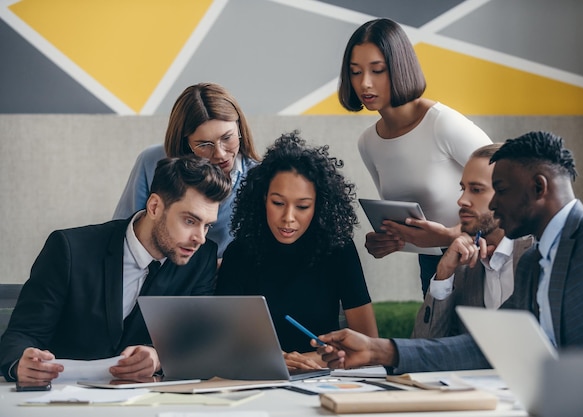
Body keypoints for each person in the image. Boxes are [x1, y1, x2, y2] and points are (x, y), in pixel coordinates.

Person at [315, 131, 583, 373]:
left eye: (499, 191)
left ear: (538, 188)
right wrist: (380, 350)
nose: (492, 205)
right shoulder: (535, 263)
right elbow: (489, 347)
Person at [0, 155, 231, 385]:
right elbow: (21, 335)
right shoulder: (69, 249)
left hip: (148, 403)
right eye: (190, 221)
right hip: (65, 399)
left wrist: (158, 356)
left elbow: (194, 339)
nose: (200, 238)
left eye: (207, 225)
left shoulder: (201, 259)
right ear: (154, 207)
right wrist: (21, 363)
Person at [339, 18, 492, 296]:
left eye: (377, 70)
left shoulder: (442, 124)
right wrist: (389, 239)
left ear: (399, 68)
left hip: (481, 257)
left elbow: (511, 194)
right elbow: (408, 219)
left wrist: (450, 234)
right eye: (355, 72)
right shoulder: (368, 143)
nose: (365, 83)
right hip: (431, 264)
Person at [216, 131, 378, 370]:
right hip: (258, 376)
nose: (288, 218)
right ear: (262, 199)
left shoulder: (339, 249)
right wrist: (269, 360)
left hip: (323, 377)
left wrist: (311, 359)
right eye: (278, 203)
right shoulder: (239, 253)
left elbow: (369, 343)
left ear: (318, 205)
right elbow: (222, 343)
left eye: (302, 206)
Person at [113, 82, 260, 259]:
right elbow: (124, 232)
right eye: (204, 144)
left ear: (239, 128)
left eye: (227, 137)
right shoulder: (152, 161)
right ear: (185, 143)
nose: (220, 154)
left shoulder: (259, 177)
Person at [412, 143, 533, 338]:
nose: (461, 200)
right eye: (463, 189)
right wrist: (444, 274)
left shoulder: (542, 255)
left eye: (476, 190)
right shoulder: (463, 263)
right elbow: (426, 348)